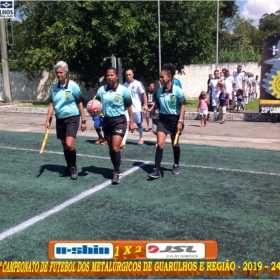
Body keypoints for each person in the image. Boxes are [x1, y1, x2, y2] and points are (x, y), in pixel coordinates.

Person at [45, 61, 87, 180]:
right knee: (64, 145)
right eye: (57, 73)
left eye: (61, 72)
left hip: (72, 117)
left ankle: (73, 167)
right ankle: (68, 167)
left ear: (66, 73)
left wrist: (83, 121)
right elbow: (52, 105)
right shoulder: (54, 88)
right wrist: (48, 120)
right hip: (60, 119)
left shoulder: (73, 86)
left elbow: (80, 103)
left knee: (69, 144)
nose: (59, 75)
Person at [96, 67, 134, 184]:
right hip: (107, 121)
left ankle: (116, 172)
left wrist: (131, 122)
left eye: (112, 75)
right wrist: (94, 113)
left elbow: (129, 106)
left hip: (120, 120)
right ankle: (116, 168)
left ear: (117, 76)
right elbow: (96, 104)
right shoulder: (101, 90)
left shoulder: (123, 90)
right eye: (108, 75)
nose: (109, 77)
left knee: (115, 147)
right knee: (111, 148)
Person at [148, 65, 186, 179]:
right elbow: (158, 107)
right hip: (163, 120)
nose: (160, 79)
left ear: (169, 77)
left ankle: (176, 164)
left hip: (175, 120)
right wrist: (155, 119)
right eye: (159, 77)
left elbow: (183, 107)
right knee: (160, 145)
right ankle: (156, 170)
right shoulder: (158, 92)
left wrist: (180, 121)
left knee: (175, 144)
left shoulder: (178, 91)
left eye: (162, 77)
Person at [122, 69, 147, 146]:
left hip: (136, 108)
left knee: (139, 124)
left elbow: (143, 94)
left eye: (129, 74)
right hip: (127, 109)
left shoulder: (138, 83)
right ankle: (123, 141)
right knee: (127, 124)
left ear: (133, 75)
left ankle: (141, 138)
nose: (128, 76)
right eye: (126, 75)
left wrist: (145, 104)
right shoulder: (123, 86)